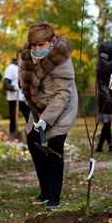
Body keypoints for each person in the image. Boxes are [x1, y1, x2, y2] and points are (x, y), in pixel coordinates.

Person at [19, 22, 78, 211]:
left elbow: (63, 94)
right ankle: (44, 191)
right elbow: (24, 77)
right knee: (33, 143)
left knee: (54, 148)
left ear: (51, 42)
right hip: (38, 106)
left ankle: (54, 197)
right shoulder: (28, 55)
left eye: (41, 45)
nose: (36, 50)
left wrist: (47, 119)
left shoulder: (61, 59)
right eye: (34, 45)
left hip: (60, 108)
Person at [95, 42, 112, 153]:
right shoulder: (107, 65)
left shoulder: (100, 62)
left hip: (102, 95)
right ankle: (100, 146)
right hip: (108, 97)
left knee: (107, 124)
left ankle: (110, 146)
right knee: (107, 124)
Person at [3, 50, 30, 139]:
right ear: (17, 57)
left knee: (29, 116)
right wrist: (14, 87)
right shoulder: (11, 68)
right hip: (14, 98)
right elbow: (6, 83)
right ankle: (13, 135)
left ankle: (30, 135)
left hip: (25, 98)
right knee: (14, 118)